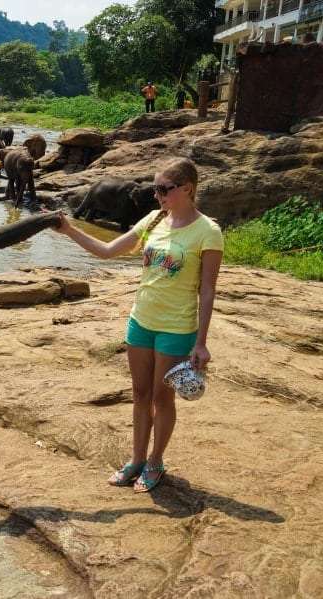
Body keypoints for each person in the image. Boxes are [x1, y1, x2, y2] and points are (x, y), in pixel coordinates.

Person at [49, 158, 223, 492]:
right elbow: (107, 250)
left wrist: (201, 343)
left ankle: (156, 462)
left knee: (162, 398)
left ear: (187, 189)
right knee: (140, 393)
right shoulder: (155, 219)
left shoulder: (208, 232)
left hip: (176, 327)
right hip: (141, 321)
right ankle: (136, 459)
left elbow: (208, 289)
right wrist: (69, 229)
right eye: (156, 188)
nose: (157, 196)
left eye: (164, 189)